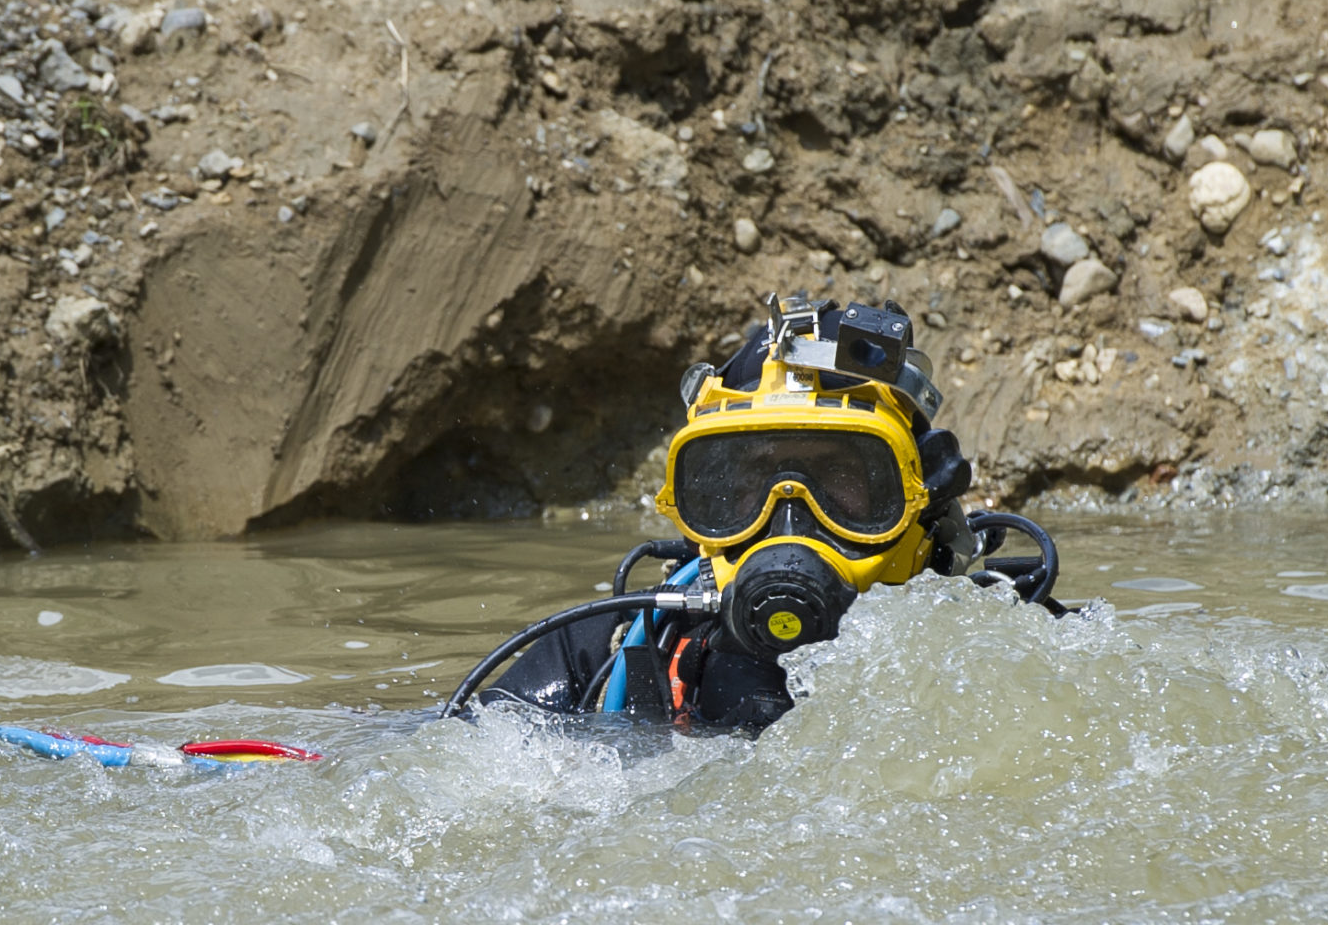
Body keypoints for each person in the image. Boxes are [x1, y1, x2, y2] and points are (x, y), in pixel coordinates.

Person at [448, 295, 1066, 731]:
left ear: (924, 498)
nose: (788, 519)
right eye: (749, 488)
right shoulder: (606, 650)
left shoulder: (1016, 647)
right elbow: (445, 763)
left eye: (844, 483)